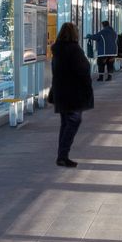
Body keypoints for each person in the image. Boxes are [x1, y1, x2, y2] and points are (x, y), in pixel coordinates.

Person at [49, 21, 93, 167]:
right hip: (74, 93)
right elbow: (84, 69)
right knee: (73, 121)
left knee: (66, 123)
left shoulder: (57, 50)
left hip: (61, 92)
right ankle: (62, 155)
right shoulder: (74, 50)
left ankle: (62, 155)